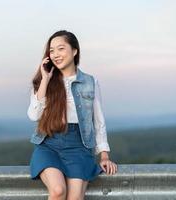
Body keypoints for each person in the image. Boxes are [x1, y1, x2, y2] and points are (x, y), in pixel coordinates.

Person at [27, 30, 117, 200]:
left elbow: (98, 121)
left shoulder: (90, 82)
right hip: (49, 144)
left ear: (74, 51)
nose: (55, 54)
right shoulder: (43, 81)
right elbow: (34, 115)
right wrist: (45, 80)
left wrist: (104, 155)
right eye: (51, 50)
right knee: (58, 190)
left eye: (60, 49)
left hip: (78, 146)